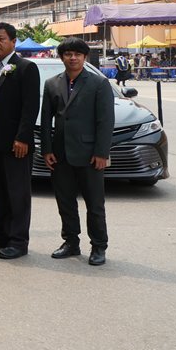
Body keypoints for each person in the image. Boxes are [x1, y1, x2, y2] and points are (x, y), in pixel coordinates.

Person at [41, 37, 114, 266]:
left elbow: (105, 121)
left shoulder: (99, 83)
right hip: (60, 154)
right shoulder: (52, 83)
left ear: (85, 57)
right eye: (68, 54)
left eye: (77, 54)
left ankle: (99, 246)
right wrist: (47, 149)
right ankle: (71, 242)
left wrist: (101, 153)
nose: (73, 58)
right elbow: (46, 120)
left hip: (90, 154)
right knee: (65, 202)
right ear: (62, 57)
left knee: (95, 204)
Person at [0, 22, 41, 260]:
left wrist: (22, 137)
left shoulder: (26, 68)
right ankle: (0, 233)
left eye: (0, 39)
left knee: (17, 193)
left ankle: (18, 240)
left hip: (15, 143)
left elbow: (30, 106)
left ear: (13, 41)